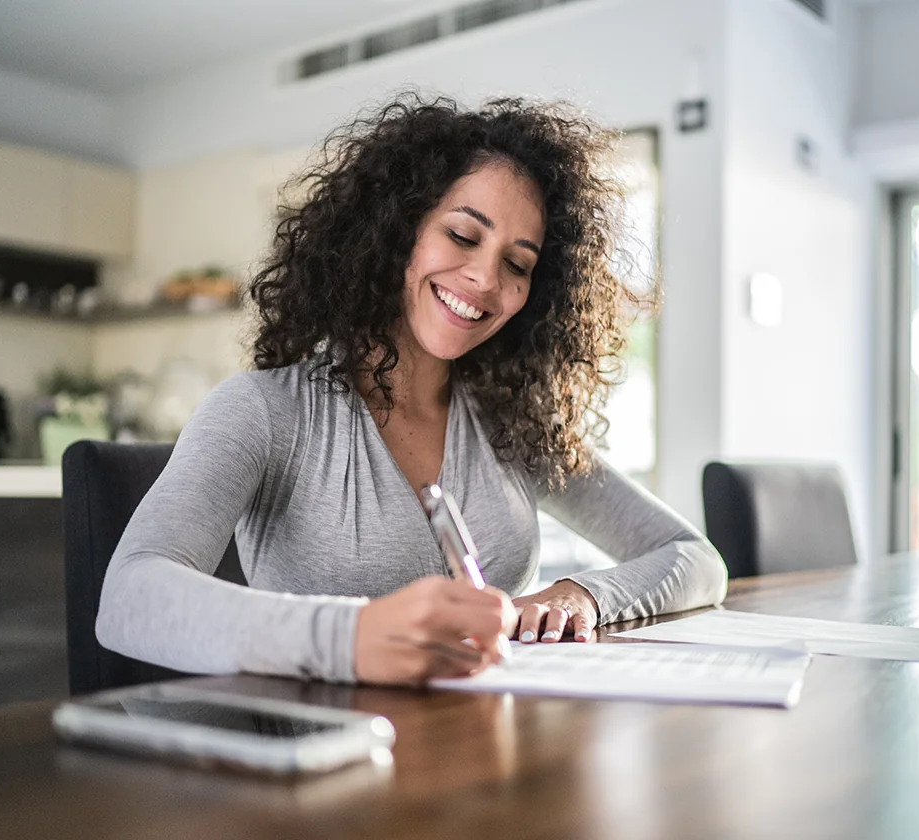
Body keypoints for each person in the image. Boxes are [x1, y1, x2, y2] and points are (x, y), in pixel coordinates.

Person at [96, 93, 728, 687]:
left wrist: (585, 595)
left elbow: (694, 558)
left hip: (487, 758)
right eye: (462, 235)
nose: (484, 278)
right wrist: (352, 635)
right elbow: (129, 595)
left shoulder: (514, 425)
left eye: (518, 264)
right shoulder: (264, 412)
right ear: (396, 231)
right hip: (328, 774)